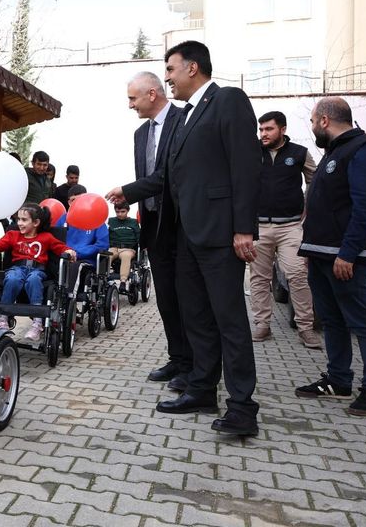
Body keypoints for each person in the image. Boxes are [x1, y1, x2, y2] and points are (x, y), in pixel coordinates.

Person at [107, 40, 261, 437]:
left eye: (171, 69)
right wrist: (128, 190)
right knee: (197, 318)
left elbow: (246, 167)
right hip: (187, 237)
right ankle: (202, 389)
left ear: (192, 68)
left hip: (220, 235)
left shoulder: (228, 100)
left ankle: (243, 408)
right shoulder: (186, 118)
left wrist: (244, 228)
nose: (169, 77)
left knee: (229, 321)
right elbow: (165, 177)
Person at [295, 97, 366, 417]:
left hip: (347, 258)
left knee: (363, 321)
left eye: (311, 121)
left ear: (324, 120)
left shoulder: (365, 149)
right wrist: (309, 248)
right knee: (332, 320)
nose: (311, 127)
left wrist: (348, 253)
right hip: (321, 254)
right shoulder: (333, 152)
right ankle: (338, 380)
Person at [123, 71, 191, 392]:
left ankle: (195, 365)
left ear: (152, 94)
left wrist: (127, 190)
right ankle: (177, 358)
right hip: (154, 228)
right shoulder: (138, 134)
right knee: (165, 297)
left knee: (187, 299)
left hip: (183, 227)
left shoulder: (185, 120)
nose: (130, 105)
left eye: (133, 98)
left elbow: (171, 176)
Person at [249, 110, 320, 349]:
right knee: (259, 279)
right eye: (261, 129)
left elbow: (316, 182)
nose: (263, 134)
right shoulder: (252, 152)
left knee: (297, 275)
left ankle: (306, 328)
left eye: (268, 129)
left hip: (291, 227)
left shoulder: (299, 153)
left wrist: (308, 213)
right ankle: (262, 325)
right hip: (258, 227)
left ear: (283, 129)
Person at [0, 204, 76, 341]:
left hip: (37, 269)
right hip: (17, 268)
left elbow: (60, 247)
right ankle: (3, 318)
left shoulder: (46, 237)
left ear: (36, 222)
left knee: (33, 279)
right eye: (18, 219)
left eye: (24, 220)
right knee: (13, 278)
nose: (19, 223)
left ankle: (37, 323)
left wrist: (69, 251)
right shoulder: (12, 235)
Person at [63, 185, 109, 268]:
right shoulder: (63, 219)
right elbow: (54, 240)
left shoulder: (97, 219)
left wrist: (77, 252)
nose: (76, 203)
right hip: (64, 256)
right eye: (73, 200)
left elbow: (102, 244)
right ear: (69, 202)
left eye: (80, 200)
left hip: (86, 260)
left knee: (75, 267)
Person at [107, 202, 140, 294]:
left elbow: (139, 236)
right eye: (117, 212)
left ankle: (123, 282)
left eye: (123, 211)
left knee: (126, 256)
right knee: (106, 256)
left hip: (128, 248)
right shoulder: (111, 221)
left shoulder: (134, 222)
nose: (120, 214)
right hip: (114, 247)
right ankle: (103, 279)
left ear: (127, 211)